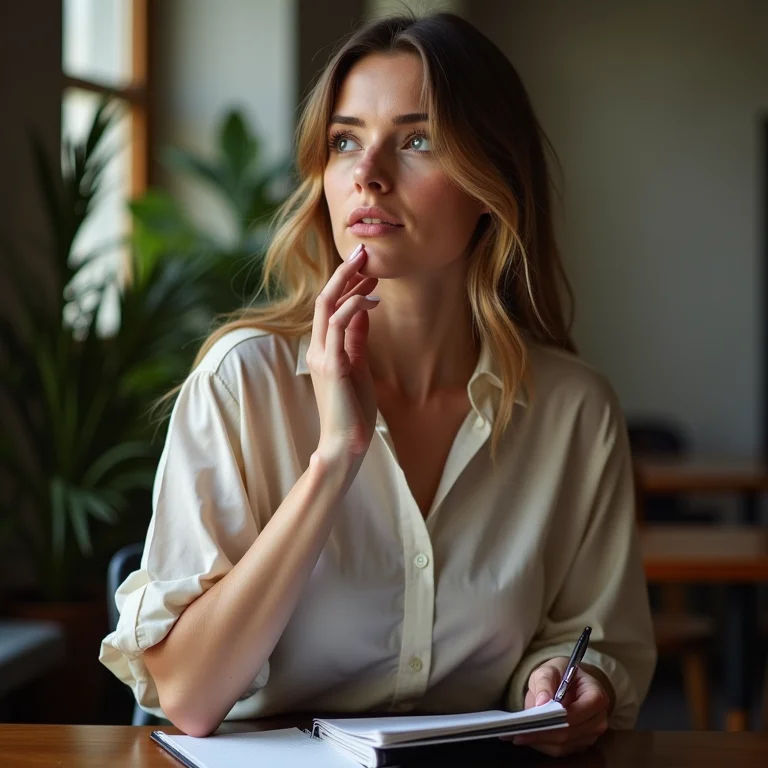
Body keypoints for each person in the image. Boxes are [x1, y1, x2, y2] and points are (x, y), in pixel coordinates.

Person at [100, 11, 656, 758]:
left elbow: (591, 638)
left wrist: (564, 680)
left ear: (492, 181)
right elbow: (190, 698)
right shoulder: (242, 384)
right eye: (345, 141)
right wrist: (334, 459)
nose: (368, 174)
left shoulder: (573, 412)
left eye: (417, 140)